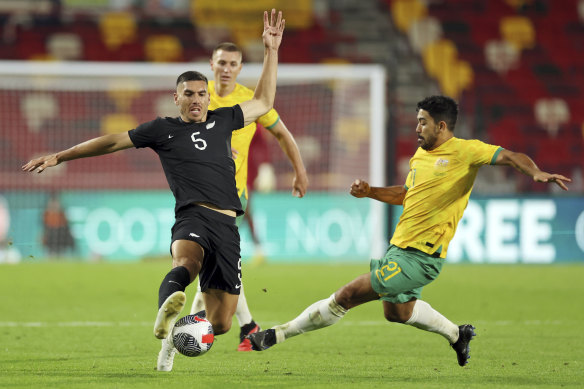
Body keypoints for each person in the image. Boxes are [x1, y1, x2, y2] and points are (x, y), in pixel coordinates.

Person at [22, 8, 287, 372]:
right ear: (175, 98)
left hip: (228, 226)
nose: (196, 99)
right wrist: (60, 156)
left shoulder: (224, 120)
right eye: (188, 94)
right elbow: (112, 141)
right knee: (186, 262)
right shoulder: (162, 130)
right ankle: (166, 309)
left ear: (209, 98)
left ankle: (179, 332)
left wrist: (271, 50)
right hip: (193, 215)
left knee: (223, 322)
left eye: (201, 93)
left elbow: (264, 102)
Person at [247, 95, 571, 366]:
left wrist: (537, 172)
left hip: (422, 257)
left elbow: (512, 156)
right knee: (398, 313)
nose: (416, 128)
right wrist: (370, 191)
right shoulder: (420, 156)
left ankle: (276, 335)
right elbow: (405, 195)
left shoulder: (465, 151)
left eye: (423, 122)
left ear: (441, 126)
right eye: (417, 121)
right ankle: (458, 335)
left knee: (346, 295)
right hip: (399, 249)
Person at [188, 41, 309, 353]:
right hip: (198, 193)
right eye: (221, 63)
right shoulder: (199, 98)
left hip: (231, 196)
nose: (226, 69)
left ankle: (201, 329)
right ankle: (247, 326)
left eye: (232, 64)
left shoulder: (251, 101)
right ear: (211, 65)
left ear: (240, 68)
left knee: (209, 261)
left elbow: (282, 133)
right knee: (216, 264)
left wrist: (299, 170)